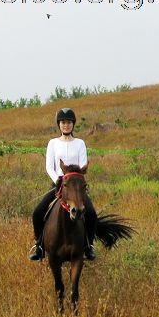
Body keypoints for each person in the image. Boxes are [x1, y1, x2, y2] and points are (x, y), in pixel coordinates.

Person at [28, 107, 98, 261]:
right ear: (59, 124)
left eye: (69, 122)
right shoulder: (52, 143)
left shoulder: (80, 143)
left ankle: (88, 247)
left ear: (73, 125)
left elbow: (83, 164)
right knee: (38, 212)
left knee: (92, 213)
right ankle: (39, 246)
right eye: (63, 122)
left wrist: (76, 180)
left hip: (76, 186)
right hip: (58, 183)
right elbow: (49, 167)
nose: (66, 125)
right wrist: (57, 180)